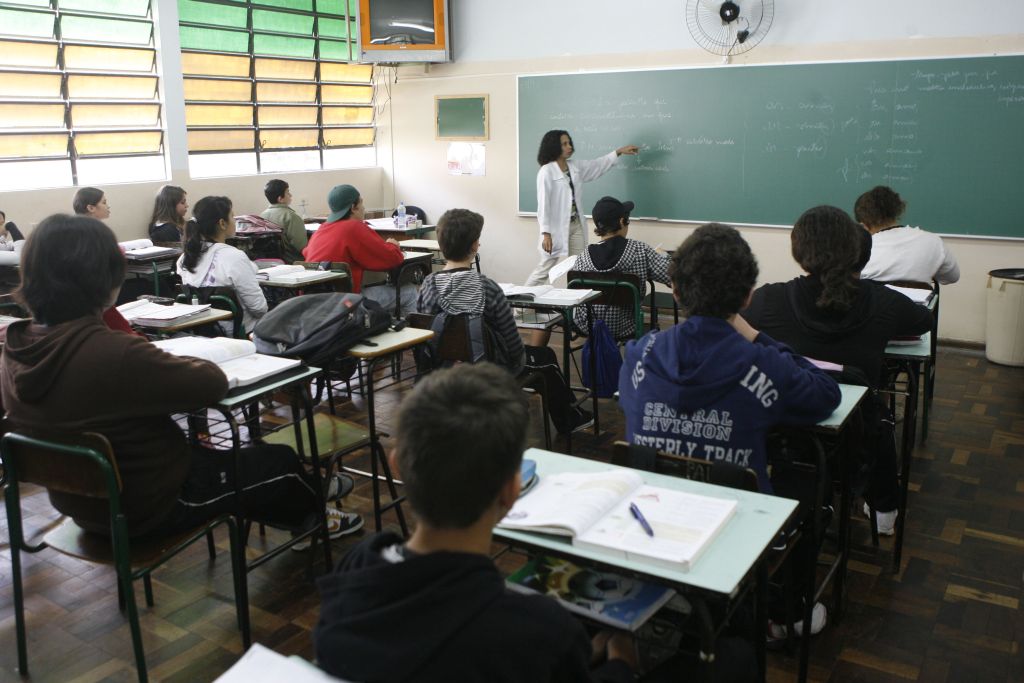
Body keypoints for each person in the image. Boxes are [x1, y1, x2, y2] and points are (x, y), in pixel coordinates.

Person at [0, 213, 347, 540]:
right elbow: (209, 384)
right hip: (155, 503)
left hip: (82, 506)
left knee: (245, 467)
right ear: (105, 277)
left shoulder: (15, 349)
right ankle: (318, 519)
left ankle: (310, 503)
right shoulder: (112, 352)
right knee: (278, 462)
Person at [314, 363, 636, 683]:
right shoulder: (539, 630)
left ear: (397, 467)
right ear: (511, 491)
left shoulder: (355, 570)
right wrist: (620, 666)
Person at [619, 222, 841, 643]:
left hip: (650, 524)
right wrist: (758, 335)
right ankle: (787, 611)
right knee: (807, 473)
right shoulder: (763, 364)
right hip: (736, 539)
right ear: (747, 297)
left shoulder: (637, 356)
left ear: (676, 292)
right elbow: (825, 394)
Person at [743, 205, 933, 534]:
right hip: (857, 438)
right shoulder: (883, 301)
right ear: (853, 250)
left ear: (798, 251)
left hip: (785, 430)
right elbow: (923, 320)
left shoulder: (768, 300)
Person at [416, 208, 593, 434]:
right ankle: (570, 420)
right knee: (545, 357)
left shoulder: (427, 287)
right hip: (488, 370)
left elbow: (423, 333)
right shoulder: (487, 288)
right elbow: (512, 346)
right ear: (473, 246)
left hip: (441, 369)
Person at [524, 130, 638, 286]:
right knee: (545, 268)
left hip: (576, 225)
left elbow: (596, 165)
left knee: (579, 267)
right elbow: (543, 204)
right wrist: (546, 233)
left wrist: (618, 152)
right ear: (554, 147)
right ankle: (519, 309)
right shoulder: (546, 171)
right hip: (555, 229)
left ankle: (576, 309)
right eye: (564, 144)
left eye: (569, 142)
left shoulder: (574, 166)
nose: (569, 146)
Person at [303, 184, 416, 317]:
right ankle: (415, 336)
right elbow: (390, 259)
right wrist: (393, 246)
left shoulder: (321, 230)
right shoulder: (354, 228)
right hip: (346, 303)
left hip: (316, 303)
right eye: (361, 203)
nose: (363, 208)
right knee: (410, 292)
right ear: (353, 207)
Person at [570, 196, 671, 341]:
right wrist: (665, 257)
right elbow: (671, 274)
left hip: (588, 326)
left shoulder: (583, 257)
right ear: (621, 221)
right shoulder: (640, 250)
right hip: (625, 327)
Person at [176, 196, 268, 335]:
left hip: (201, 330)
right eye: (232, 216)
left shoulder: (185, 258)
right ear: (222, 223)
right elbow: (259, 308)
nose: (235, 220)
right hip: (240, 332)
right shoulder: (234, 257)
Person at [854, 185, 960, 285]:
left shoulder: (860, 252)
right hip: (917, 304)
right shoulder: (933, 241)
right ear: (896, 211)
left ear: (863, 226)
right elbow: (953, 277)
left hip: (875, 304)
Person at [261, 178, 308, 264]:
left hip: (271, 263)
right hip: (294, 262)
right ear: (280, 199)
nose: (291, 195)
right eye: (287, 192)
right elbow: (302, 247)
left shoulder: (261, 216)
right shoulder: (291, 217)